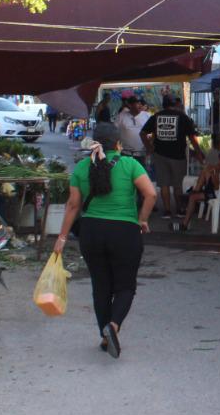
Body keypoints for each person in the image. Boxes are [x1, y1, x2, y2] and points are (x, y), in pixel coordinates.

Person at [53, 122, 156, 359]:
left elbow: (73, 205)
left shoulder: (81, 168)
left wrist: (61, 237)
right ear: (118, 143)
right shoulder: (130, 165)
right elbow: (150, 194)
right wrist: (142, 220)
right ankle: (114, 326)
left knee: (101, 286)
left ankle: (103, 336)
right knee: (125, 286)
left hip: (91, 233)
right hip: (124, 232)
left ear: (94, 142)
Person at [142, 95, 201, 228]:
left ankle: (167, 211)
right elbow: (192, 138)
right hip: (178, 156)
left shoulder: (156, 117)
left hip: (160, 155)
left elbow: (143, 133)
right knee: (177, 184)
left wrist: (149, 148)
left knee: (163, 184)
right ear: (176, 104)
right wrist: (199, 154)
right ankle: (180, 209)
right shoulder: (183, 117)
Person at [180, 149, 220, 230]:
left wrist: (213, 173)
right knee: (207, 169)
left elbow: (218, 186)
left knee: (193, 197)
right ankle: (196, 190)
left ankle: (185, 224)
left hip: (218, 194)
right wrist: (214, 170)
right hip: (218, 192)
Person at [113, 97, 148, 161]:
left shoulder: (147, 116)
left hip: (142, 154)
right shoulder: (121, 116)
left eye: (141, 103)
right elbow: (114, 131)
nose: (140, 105)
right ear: (130, 105)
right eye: (137, 103)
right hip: (125, 154)